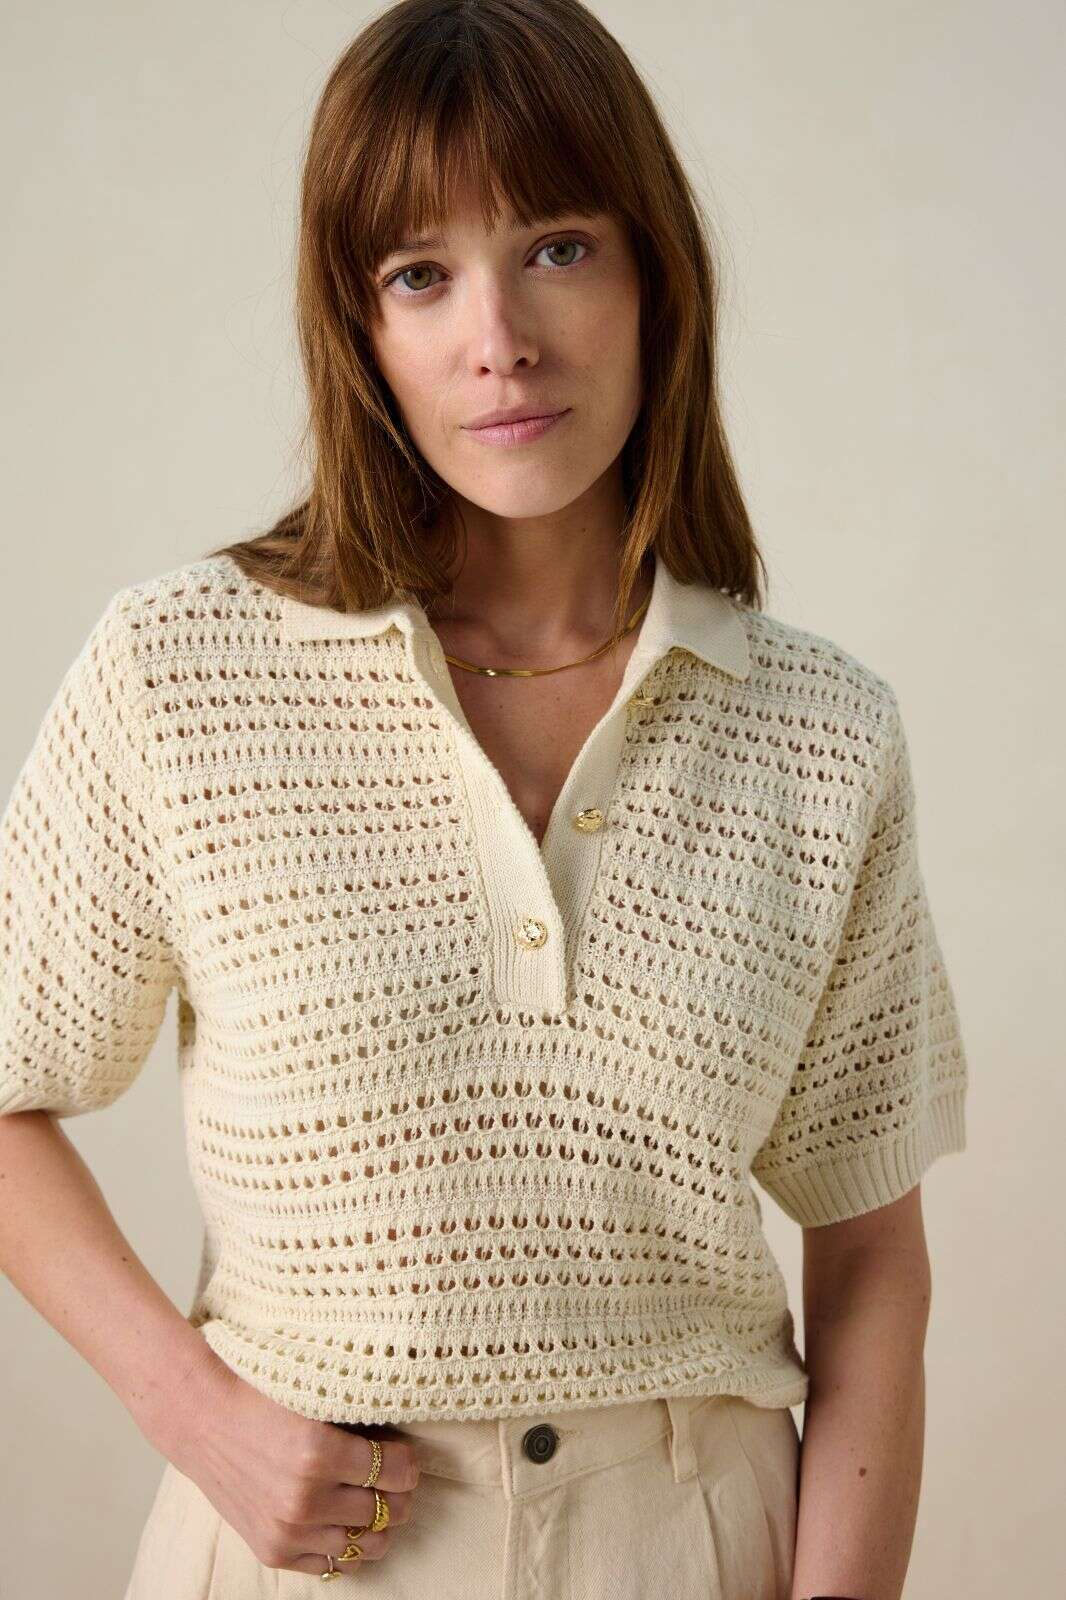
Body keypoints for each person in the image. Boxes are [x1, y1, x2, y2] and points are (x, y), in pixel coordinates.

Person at [0, 2, 968, 1596]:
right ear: (358, 326)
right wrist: (196, 1412)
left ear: (655, 275)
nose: (497, 337)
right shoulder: (179, 673)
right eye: (418, 274)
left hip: (695, 1542)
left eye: (557, 249)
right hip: (307, 1547)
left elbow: (867, 1255)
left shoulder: (816, 731)